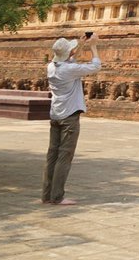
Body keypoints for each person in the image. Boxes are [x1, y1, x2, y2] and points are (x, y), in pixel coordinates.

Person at [41, 33, 101, 205]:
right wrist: (93, 47)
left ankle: (46, 195)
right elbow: (96, 66)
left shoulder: (51, 67)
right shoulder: (69, 70)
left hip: (56, 115)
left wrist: (79, 46)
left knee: (52, 155)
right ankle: (57, 196)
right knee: (64, 156)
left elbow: (69, 60)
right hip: (69, 117)